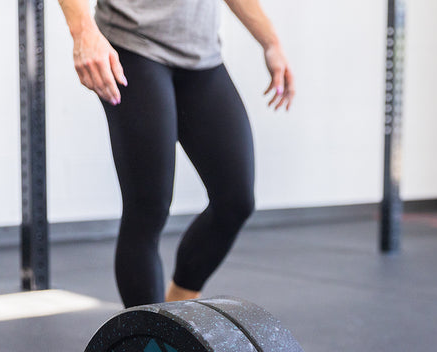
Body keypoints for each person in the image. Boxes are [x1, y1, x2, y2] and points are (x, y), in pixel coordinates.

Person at [56, 0, 295, 307]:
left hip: (201, 57)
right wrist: (83, 31)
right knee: (148, 209)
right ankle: (150, 343)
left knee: (236, 201)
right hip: (132, 46)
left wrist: (271, 42)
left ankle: (174, 316)